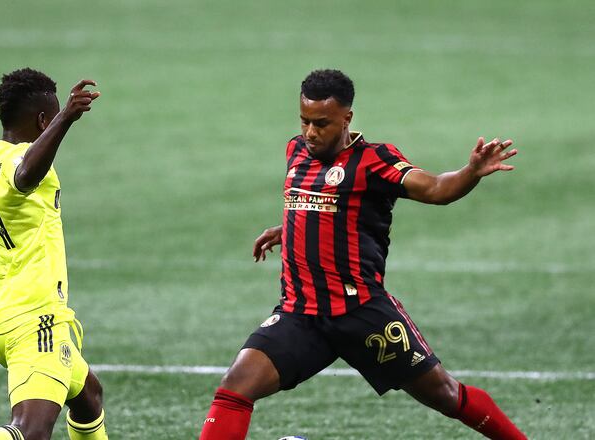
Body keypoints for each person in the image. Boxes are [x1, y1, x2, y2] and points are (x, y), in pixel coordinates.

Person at [198, 69, 526, 440]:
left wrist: (470, 172)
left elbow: (435, 188)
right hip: (301, 315)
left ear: (347, 118)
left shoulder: (374, 161)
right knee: (235, 386)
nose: (310, 132)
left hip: (362, 313)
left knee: (445, 394)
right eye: (305, 121)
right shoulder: (296, 151)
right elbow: (317, 204)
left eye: (322, 123)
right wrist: (286, 228)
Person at [0, 68, 107, 440]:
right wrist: (66, 119)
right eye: (52, 115)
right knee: (30, 432)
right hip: (37, 319)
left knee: (88, 395)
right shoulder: (25, 163)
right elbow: (25, 174)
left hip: (1, 320)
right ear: (43, 119)